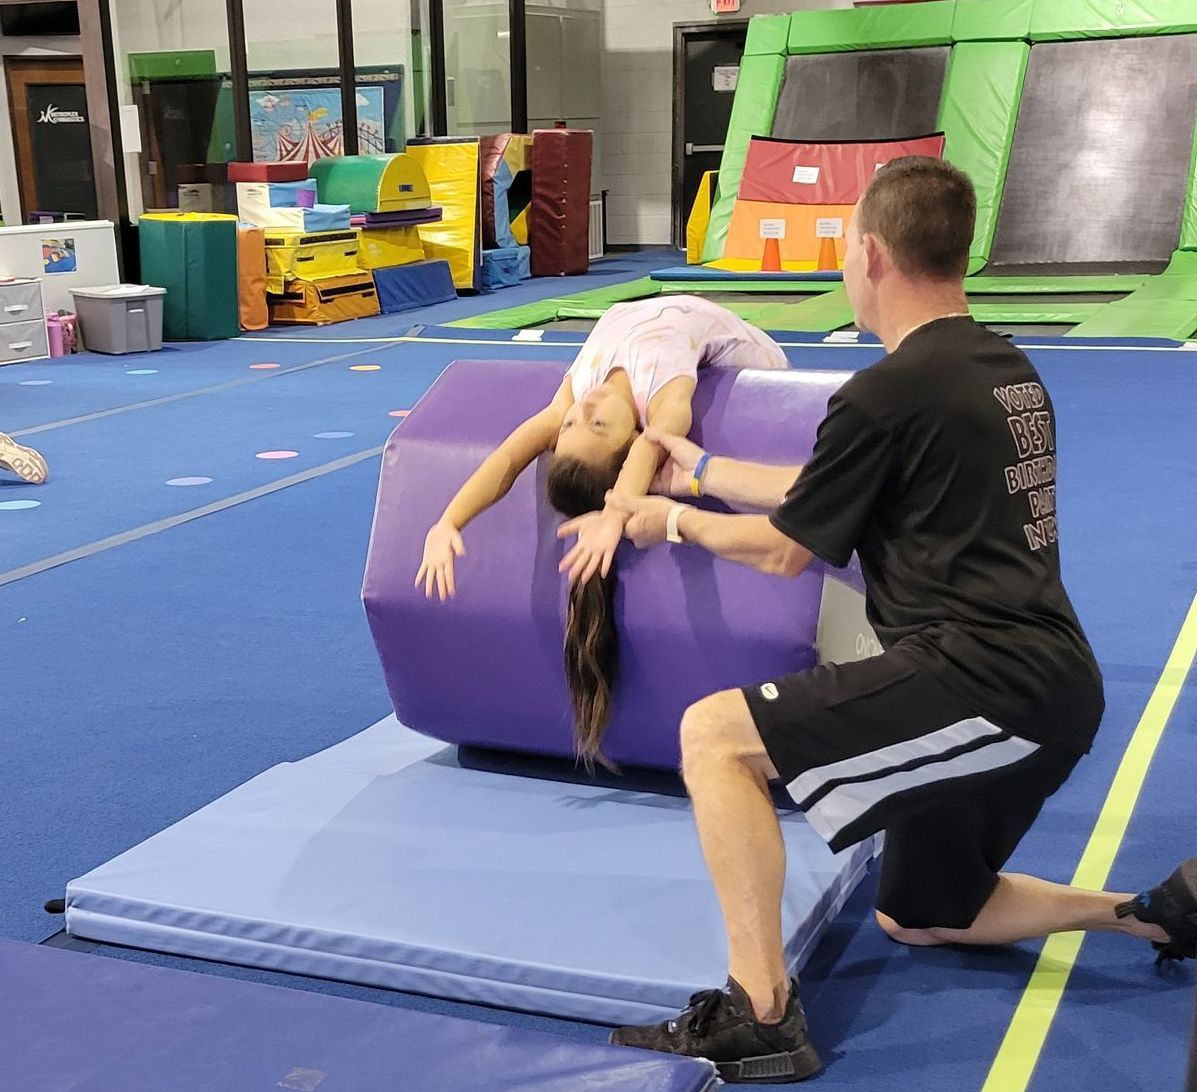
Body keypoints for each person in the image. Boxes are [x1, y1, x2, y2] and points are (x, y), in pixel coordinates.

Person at [586, 158, 1197, 1083]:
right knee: (919, 912)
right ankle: (1152, 913)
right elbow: (830, 488)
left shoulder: (886, 390)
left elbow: (786, 550)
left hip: (981, 682)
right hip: (1052, 682)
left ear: (870, 253)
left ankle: (760, 1014)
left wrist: (664, 520)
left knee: (714, 737)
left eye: (844, 250)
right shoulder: (1000, 367)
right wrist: (699, 470)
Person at [416, 295, 787, 764]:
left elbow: (509, 457)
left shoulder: (571, 398)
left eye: (572, 424)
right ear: (630, 436)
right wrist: (616, 513)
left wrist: (448, 521)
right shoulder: (664, 401)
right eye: (595, 425)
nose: (585, 406)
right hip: (759, 357)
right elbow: (652, 446)